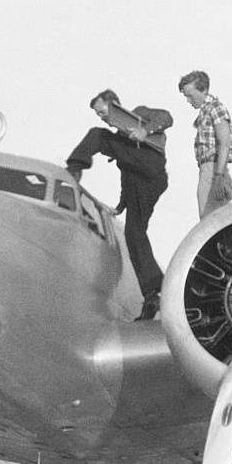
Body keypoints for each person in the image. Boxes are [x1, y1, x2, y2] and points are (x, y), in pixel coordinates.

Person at [65, 89, 172, 321]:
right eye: (98, 114)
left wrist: (145, 130)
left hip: (151, 169)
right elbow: (127, 174)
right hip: (141, 183)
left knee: (97, 135)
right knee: (134, 234)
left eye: (103, 112)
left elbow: (166, 117)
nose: (102, 117)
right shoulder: (124, 142)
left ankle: (74, 168)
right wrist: (122, 204)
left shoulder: (140, 114)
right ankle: (154, 293)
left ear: (114, 105)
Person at [178, 70, 232, 218]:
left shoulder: (215, 108)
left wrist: (218, 176)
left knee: (211, 225)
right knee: (209, 223)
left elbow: (224, 142)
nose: (188, 100)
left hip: (214, 170)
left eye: (190, 95)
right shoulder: (205, 111)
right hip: (209, 170)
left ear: (203, 90)